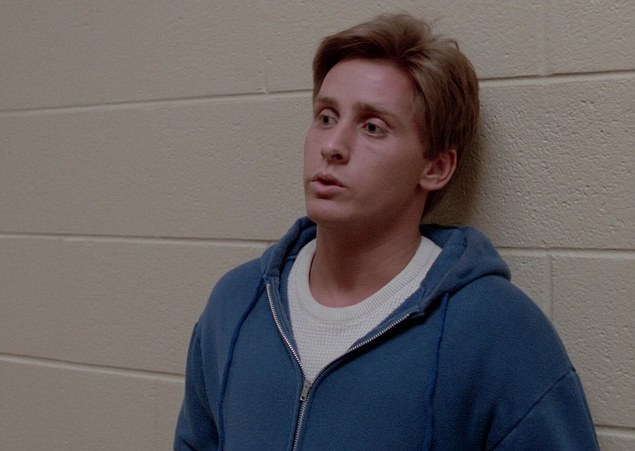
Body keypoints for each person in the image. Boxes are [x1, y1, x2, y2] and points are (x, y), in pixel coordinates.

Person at [174, 13, 598, 450]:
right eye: (325, 117)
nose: (332, 146)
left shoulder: (499, 331)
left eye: (372, 127)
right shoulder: (236, 305)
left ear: (436, 167)